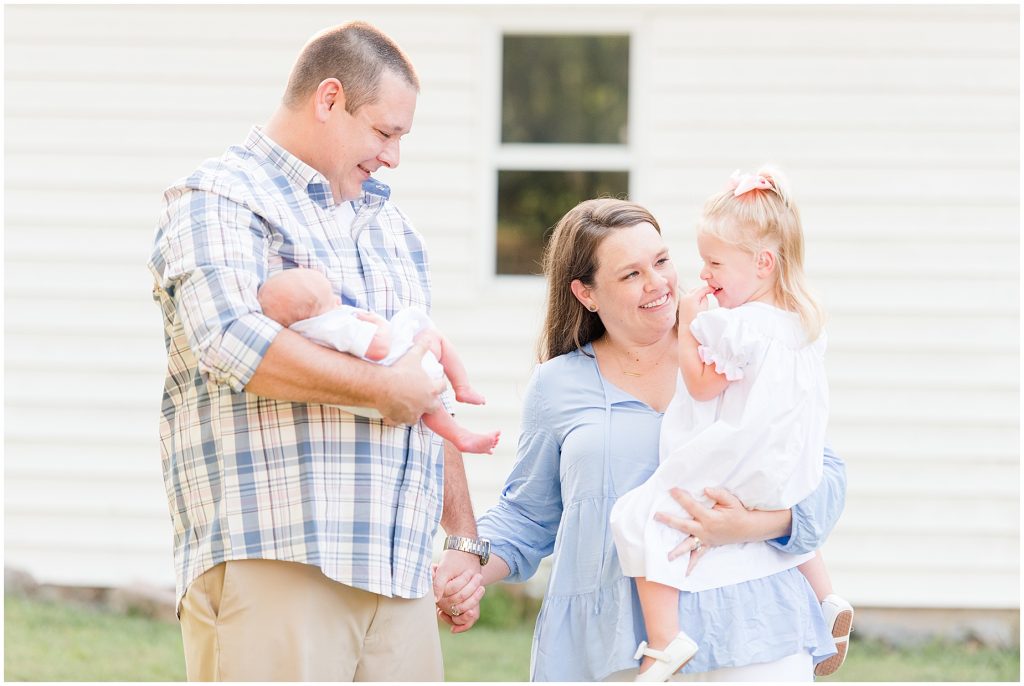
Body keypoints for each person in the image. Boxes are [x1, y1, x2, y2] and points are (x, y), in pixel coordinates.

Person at [148, 21, 486, 681]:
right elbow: (228, 341)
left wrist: (462, 538)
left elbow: (420, 383)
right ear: (329, 99)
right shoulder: (219, 199)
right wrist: (385, 392)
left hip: (398, 574)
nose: (393, 157)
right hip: (280, 559)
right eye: (385, 133)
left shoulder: (393, 228)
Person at [433, 198, 847, 681]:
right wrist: (468, 571)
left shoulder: (732, 344)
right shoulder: (558, 385)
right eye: (630, 275)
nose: (657, 283)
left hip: (750, 627)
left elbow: (817, 473)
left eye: (662, 261)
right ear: (586, 294)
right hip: (610, 643)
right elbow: (528, 514)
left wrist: (746, 525)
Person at [608, 168, 853, 681]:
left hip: (739, 463)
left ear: (763, 263)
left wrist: (689, 325)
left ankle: (664, 642)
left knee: (638, 517)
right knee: (782, 523)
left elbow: (701, 386)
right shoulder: (802, 323)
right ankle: (825, 598)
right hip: (787, 471)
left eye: (715, 262)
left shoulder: (734, 326)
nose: (705, 273)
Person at [257, 268, 500, 454]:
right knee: (429, 333)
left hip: (374, 395)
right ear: (314, 309)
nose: (338, 302)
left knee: (429, 407)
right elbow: (380, 348)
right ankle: (463, 387)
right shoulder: (333, 324)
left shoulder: (303, 333)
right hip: (398, 367)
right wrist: (377, 326)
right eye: (331, 298)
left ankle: (460, 436)